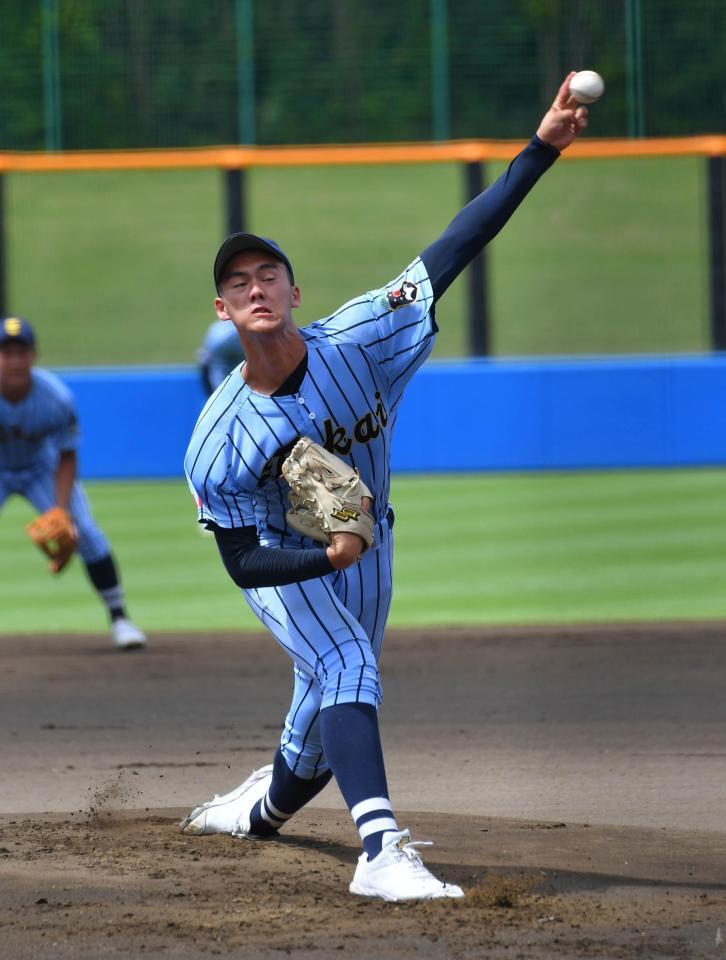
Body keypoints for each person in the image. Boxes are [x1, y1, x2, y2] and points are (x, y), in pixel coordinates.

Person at [181, 75, 588, 900]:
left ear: (295, 292)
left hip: (369, 541)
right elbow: (238, 561)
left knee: (319, 734)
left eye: (269, 275)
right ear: (223, 311)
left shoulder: (362, 336)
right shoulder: (218, 441)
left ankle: (257, 812)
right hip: (288, 557)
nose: (255, 288)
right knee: (345, 663)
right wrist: (322, 560)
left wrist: (541, 147)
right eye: (238, 284)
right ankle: (380, 851)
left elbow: (455, 245)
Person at [0, 317, 147, 650]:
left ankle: (120, 618)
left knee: (85, 532)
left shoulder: (55, 398)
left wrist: (62, 511)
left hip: (41, 468)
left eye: (20, 352)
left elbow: (67, 455)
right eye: (6, 352)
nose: (14, 360)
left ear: (33, 356)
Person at [198, 319, 247, 396]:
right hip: (223, 380)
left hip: (220, 388)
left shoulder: (216, 329)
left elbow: (204, 366)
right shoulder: (222, 335)